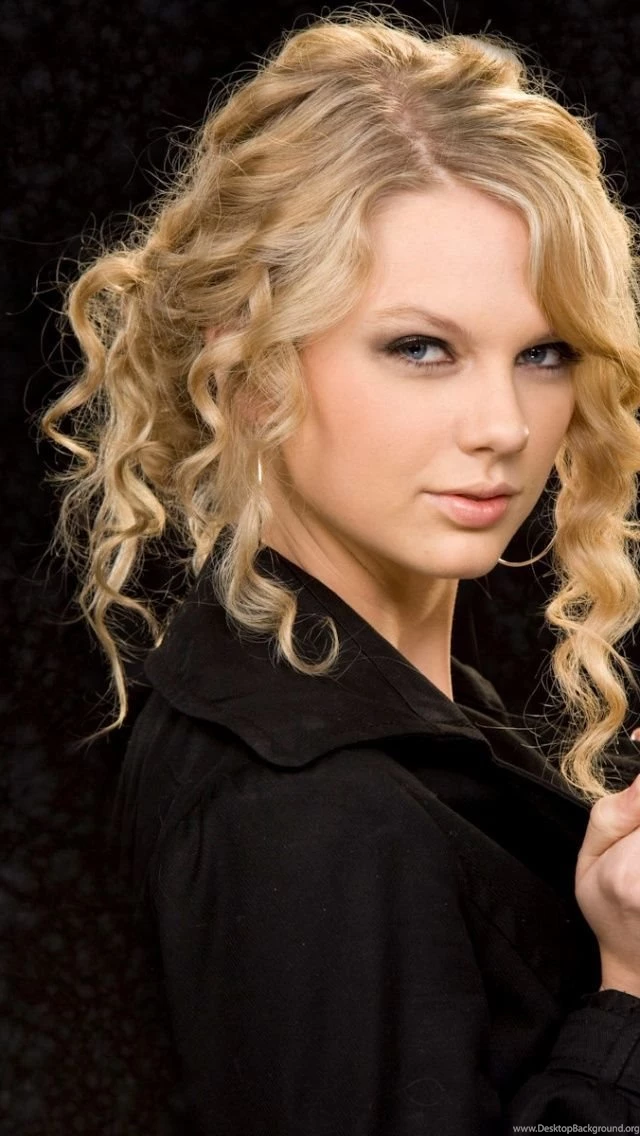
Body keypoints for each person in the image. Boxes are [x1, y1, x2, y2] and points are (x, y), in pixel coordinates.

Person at [39, 8, 640, 1133]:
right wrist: (629, 1000)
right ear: (251, 366)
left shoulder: (349, 710)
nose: (504, 425)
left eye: (543, 352)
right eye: (421, 348)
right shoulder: (319, 813)